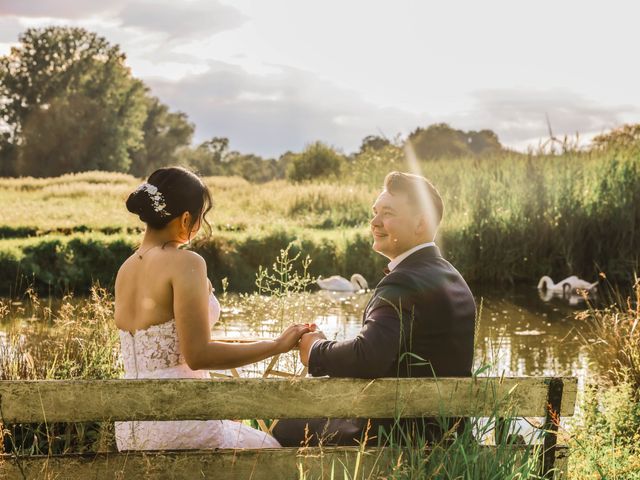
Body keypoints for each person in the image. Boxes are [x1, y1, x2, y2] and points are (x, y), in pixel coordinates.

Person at [272, 171, 476, 447]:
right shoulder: (454, 278)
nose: (374, 222)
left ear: (421, 223)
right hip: (444, 435)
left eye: (387, 213)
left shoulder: (403, 281)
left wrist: (315, 349)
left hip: (396, 439)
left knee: (285, 425)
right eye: (375, 212)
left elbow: (369, 355)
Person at [114, 166, 311, 450]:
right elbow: (198, 355)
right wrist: (276, 344)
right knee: (271, 451)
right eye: (200, 217)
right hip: (179, 421)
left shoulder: (126, 269)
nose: (200, 224)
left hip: (131, 430)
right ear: (185, 218)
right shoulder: (185, 263)